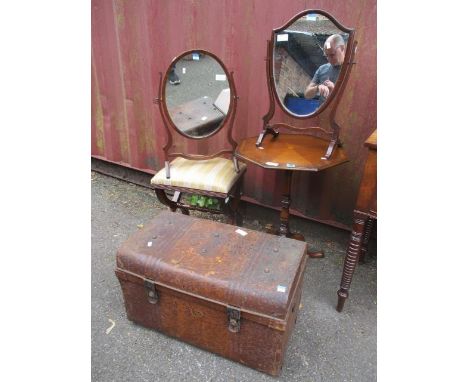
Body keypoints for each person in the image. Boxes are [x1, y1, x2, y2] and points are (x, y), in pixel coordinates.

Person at [304, 34, 346, 105]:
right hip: (323, 114)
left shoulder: (352, 70)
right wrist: (318, 88)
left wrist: (334, 90)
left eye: (332, 55)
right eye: (327, 56)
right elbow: (307, 95)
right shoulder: (322, 69)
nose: (329, 59)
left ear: (342, 48)